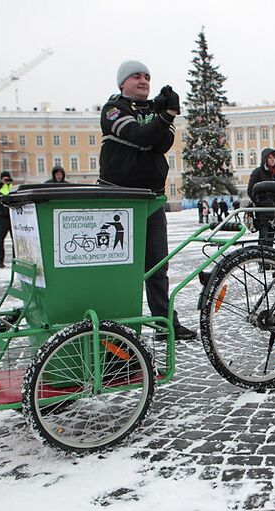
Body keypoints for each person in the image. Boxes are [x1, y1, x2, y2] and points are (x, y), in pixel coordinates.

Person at [98, 59, 196, 340]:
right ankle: (115, 328)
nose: (143, 81)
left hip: (151, 201)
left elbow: (163, 142)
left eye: (147, 77)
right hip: (118, 200)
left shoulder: (155, 111)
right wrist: (164, 116)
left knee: (157, 267)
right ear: (122, 83)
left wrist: (162, 117)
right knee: (119, 268)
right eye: (136, 77)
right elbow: (139, 136)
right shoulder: (114, 109)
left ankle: (164, 323)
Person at [247, 148, 275, 247]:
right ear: (265, 159)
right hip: (262, 212)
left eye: (274, 158)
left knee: (271, 239)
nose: (273, 160)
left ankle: (269, 260)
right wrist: (260, 202)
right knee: (263, 238)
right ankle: (262, 260)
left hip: (274, 211)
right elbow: (250, 191)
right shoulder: (257, 172)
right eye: (270, 157)